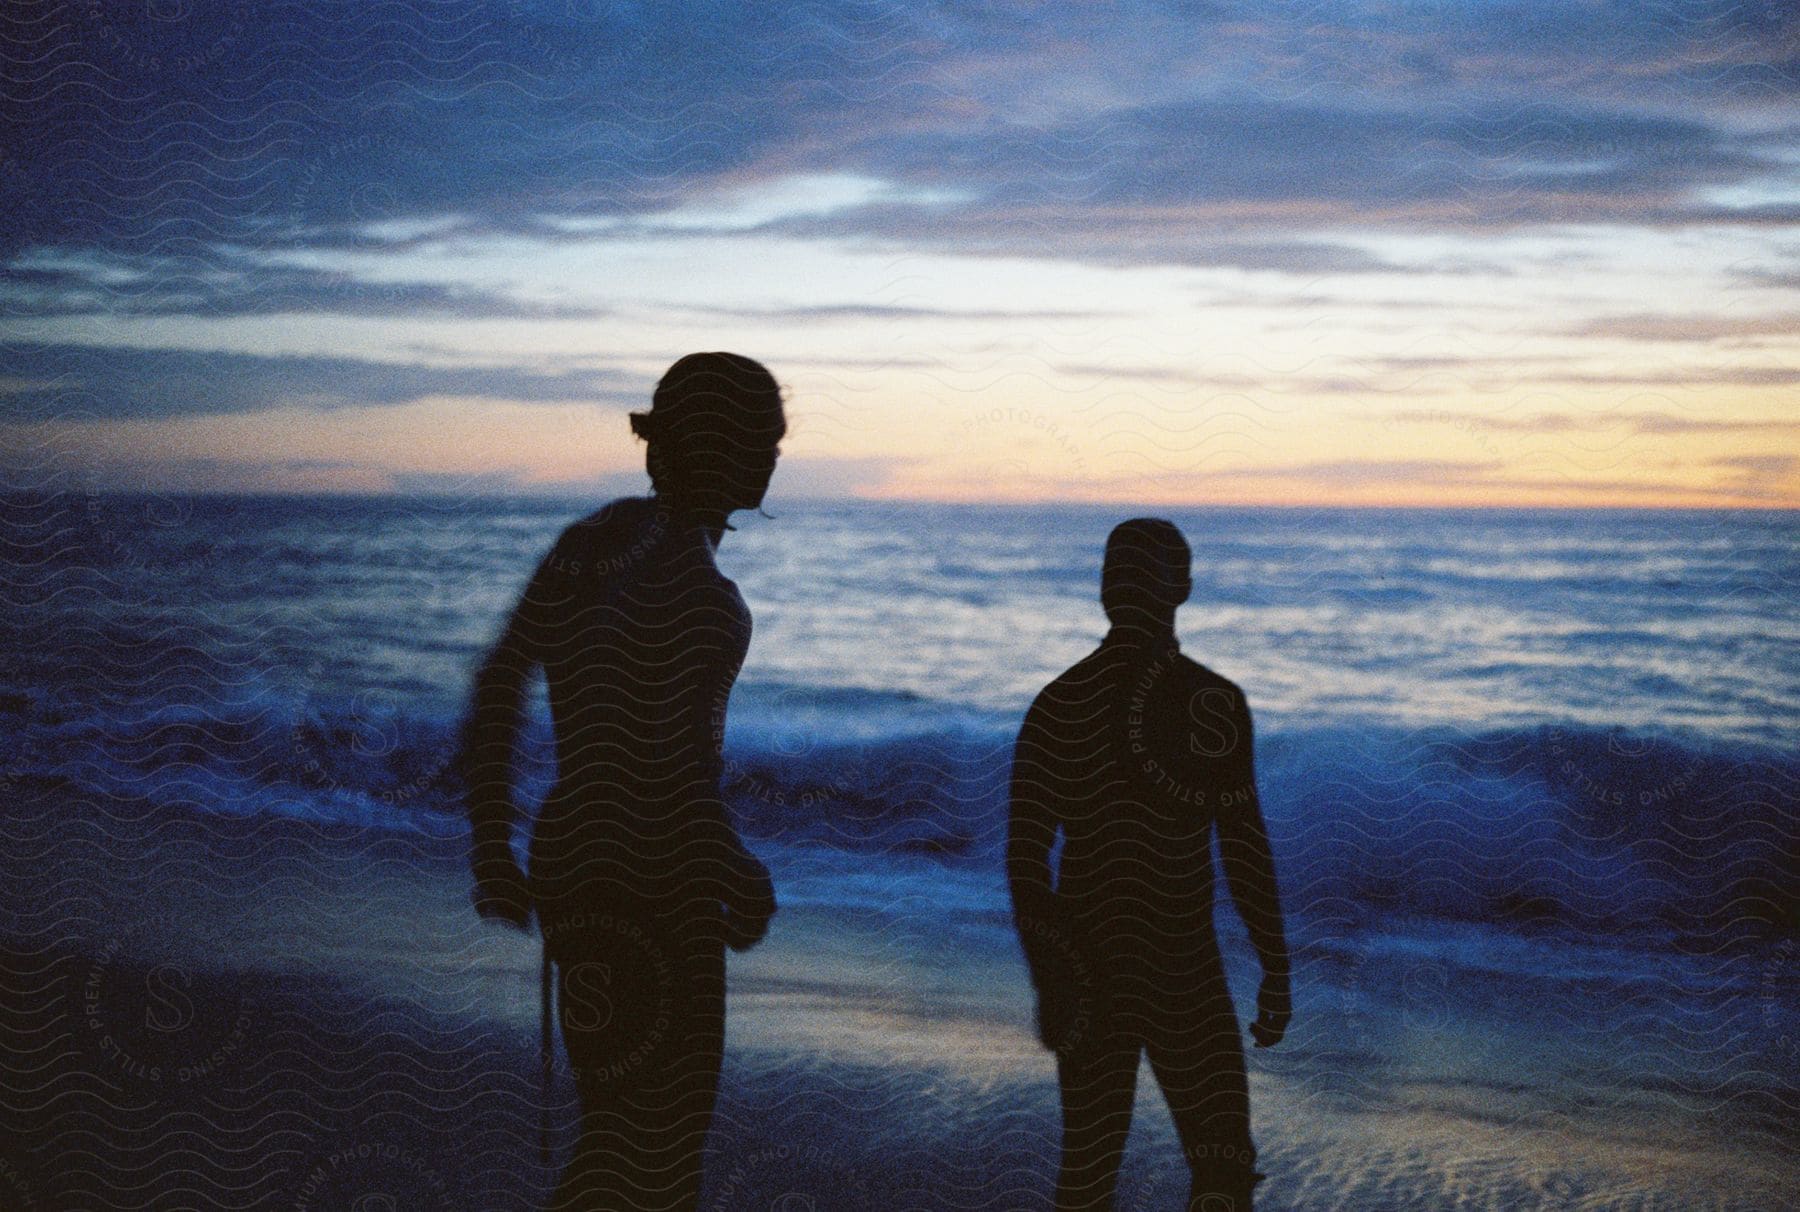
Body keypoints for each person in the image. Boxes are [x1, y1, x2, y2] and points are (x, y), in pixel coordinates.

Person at [456, 352, 784, 1211]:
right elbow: (667, 766)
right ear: (725, 450)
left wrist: (494, 843)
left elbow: (501, 683)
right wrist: (731, 863)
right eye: (763, 435)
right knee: (661, 1149)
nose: (777, 451)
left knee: (617, 1129)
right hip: (658, 875)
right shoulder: (692, 585)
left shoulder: (592, 542)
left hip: (578, 858)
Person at [1007, 518, 1290, 1211]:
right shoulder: (1210, 702)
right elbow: (1243, 844)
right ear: (1183, 589)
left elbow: (1024, 860)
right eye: (1119, 571)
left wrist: (1053, 975)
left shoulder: (1059, 702)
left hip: (1093, 961)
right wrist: (1274, 966)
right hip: (1179, 967)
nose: (1122, 584)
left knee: (1089, 1170)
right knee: (1220, 1167)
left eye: (1131, 572)